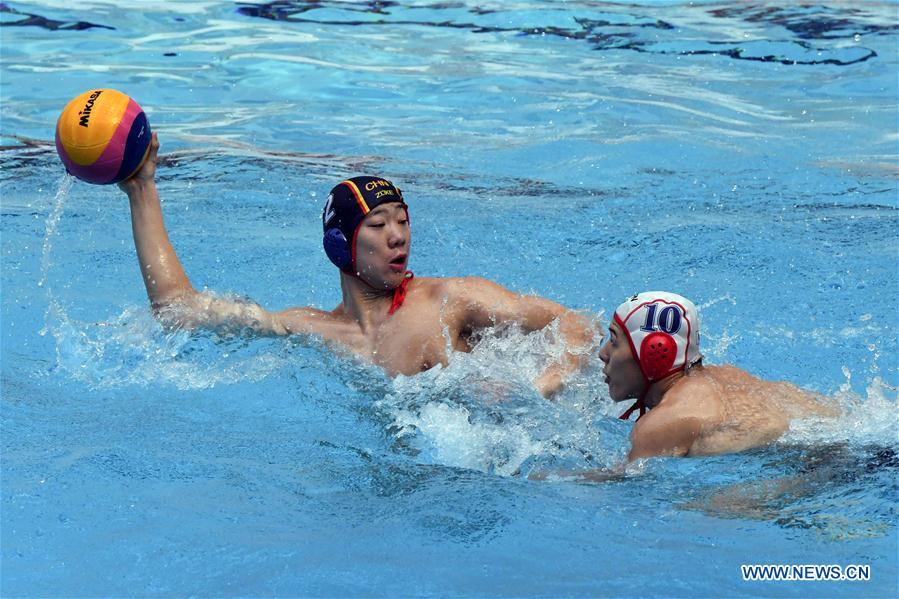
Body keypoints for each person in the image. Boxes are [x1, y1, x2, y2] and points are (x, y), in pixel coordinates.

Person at [118, 134, 596, 396]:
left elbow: (576, 324)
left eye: (402, 221)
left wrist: (542, 384)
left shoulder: (450, 300)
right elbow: (178, 311)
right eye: (378, 225)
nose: (398, 236)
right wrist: (142, 190)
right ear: (339, 245)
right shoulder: (313, 330)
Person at [598, 291, 838, 460]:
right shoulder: (728, 375)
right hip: (838, 445)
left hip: (814, 466)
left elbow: (622, 488)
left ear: (655, 352)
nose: (603, 353)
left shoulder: (658, 426)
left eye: (614, 340)